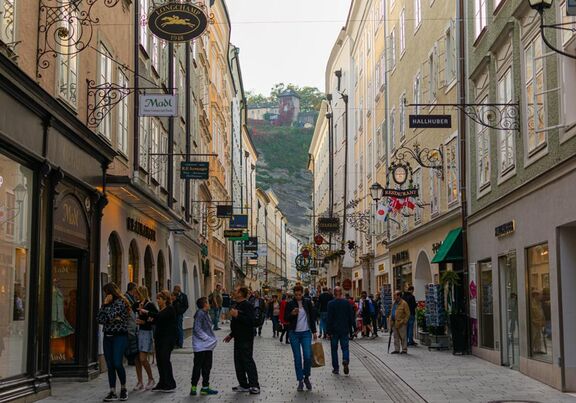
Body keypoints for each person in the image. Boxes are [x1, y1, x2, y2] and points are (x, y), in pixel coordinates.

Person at [97, 283, 132, 402]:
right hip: (107, 336)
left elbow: (108, 317)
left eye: (106, 293)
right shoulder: (107, 304)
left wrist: (107, 310)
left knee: (117, 363)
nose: (105, 296)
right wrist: (105, 306)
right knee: (110, 365)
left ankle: (123, 388)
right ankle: (112, 391)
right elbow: (99, 319)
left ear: (110, 292)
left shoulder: (121, 303)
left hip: (119, 337)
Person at [224, 287, 260, 395]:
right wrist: (231, 334)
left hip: (246, 338)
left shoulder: (247, 305)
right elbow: (236, 323)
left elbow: (251, 321)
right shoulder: (236, 304)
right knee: (238, 362)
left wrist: (238, 315)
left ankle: (254, 385)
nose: (234, 292)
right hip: (238, 337)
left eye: (236, 291)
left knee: (247, 361)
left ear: (240, 294)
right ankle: (243, 384)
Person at [140, 290, 178, 392]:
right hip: (159, 339)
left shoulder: (170, 309)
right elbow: (157, 319)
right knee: (160, 361)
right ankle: (162, 383)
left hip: (168, 339)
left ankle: (170, 384)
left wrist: (147, 312)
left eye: (159, 299)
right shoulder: (161, 309)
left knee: (165, 360)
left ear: (165, 299)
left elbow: (159, 317)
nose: (157, 301)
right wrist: (149, 320)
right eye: (157, 298)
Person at [284, 285, 317, 391]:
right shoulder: (290, 304)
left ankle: (306, 376)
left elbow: (312, 317)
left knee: (307, 357)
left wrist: (314, 331)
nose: (298, 296)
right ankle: (300, 381)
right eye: (296, 294)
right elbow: (285, 318)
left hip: (306, 333)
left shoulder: (307, 303)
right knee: (297, 358)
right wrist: (292, 314)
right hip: (294, 334)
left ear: (302, 293)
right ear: (294, 294)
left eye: (300, 294)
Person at [190, 297, 218, 396]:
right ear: (204, 304)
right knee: (199, 366)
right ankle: (194, 387)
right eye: (207, 302)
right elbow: (197, 329)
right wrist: (207, 339)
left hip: (207, 345)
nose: (209, 304)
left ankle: (205, 387)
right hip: (201, 345)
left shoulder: (205, 313)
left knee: (207, 366)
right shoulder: (200, 313)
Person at [326, 286, 355, 375]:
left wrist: (328, 331)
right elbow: (351, 316)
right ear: (341, 293)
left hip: (334, 330)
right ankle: (345, 359)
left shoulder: (330, 303)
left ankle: (336, 368)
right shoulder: (346, 303)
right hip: (344, 329)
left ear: (334, 294)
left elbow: (329, 318)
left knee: (334, 349)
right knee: (345, 347)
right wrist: (354, 328)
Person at [134, 286, 157, 391]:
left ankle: (151, 379)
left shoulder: (150, 304)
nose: (135, 295)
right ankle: (140, 381)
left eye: (137, 293)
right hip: (137, 332)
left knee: (143, 358)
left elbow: (156, 317)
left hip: (146, 332)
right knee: (137, 359)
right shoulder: (138, 304)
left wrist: (145, 322)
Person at [390, 290, 410, 354]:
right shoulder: (393, 303)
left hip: (401, 323)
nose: (394, 296)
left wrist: (404, 321)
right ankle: (397, 349)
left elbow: (408, 314)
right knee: (396, 337)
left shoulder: (404, 303)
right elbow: (392, 311)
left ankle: (404, 349)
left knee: (403, 337)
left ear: (399, 296)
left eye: (395, 295)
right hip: (394, 322)